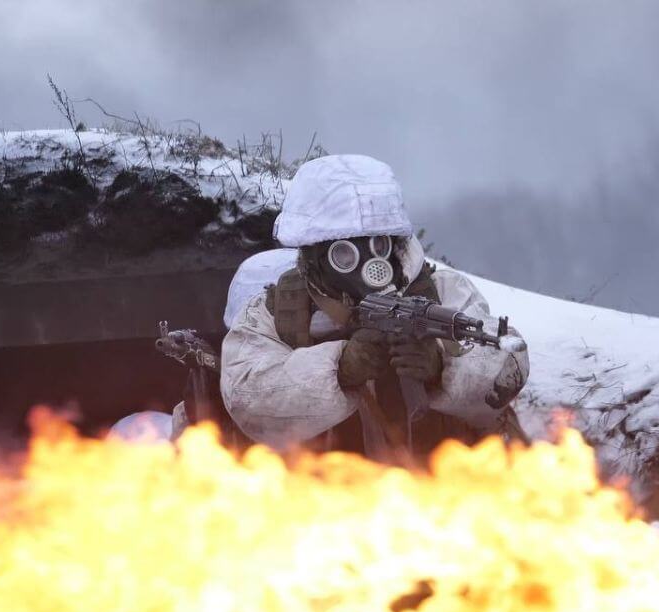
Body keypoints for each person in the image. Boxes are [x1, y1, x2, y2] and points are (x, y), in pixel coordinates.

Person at [219, 155, 528, 460]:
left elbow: (507, 366)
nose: (369, 263)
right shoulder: (275, 313)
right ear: (314, 255)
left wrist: (442, 367)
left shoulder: (443, 292)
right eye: (344, 253)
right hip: (326, 496)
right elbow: (248, 401)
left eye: (379, 245)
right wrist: (340, 369)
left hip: (445, 489)